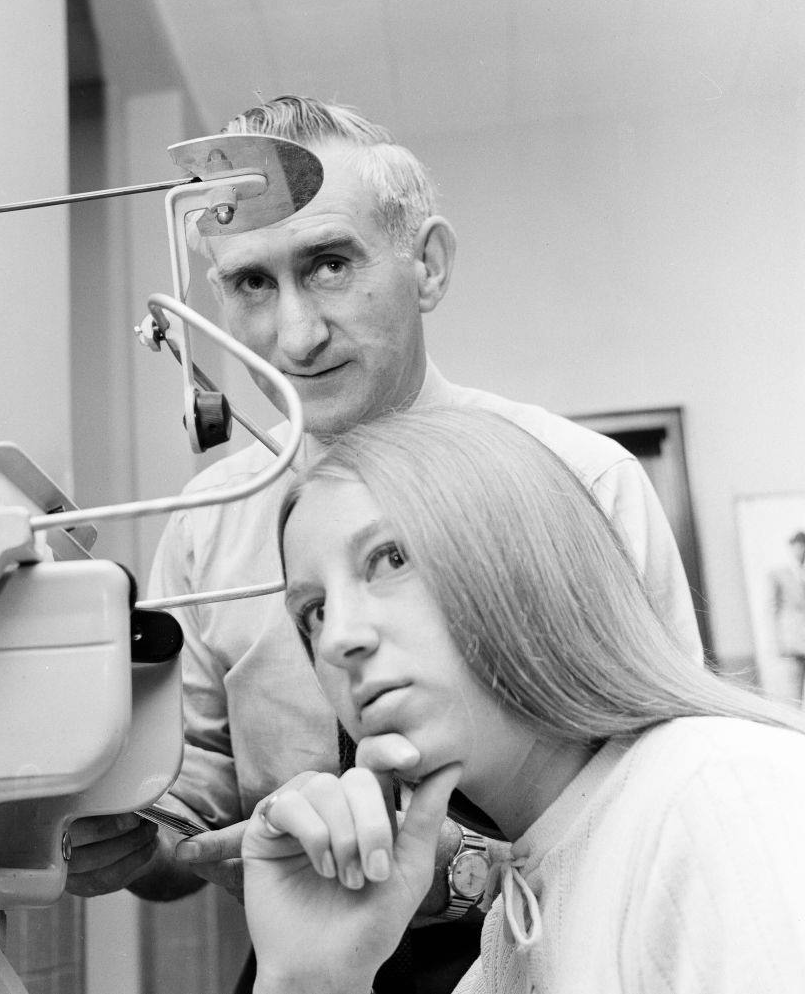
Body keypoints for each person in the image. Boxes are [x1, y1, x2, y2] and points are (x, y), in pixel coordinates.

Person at [65, 95, 704, 990]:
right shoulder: (210, 523)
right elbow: (195, 798)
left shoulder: (578, 483)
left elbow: (671, 789)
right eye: (253, 282)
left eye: (329, 263)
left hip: (559, 951)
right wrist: (131, 838)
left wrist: (469, 870)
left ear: (427, 265)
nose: (295, 334)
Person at [241, 405, 805, 994]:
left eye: (391, 559)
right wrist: (309, 980)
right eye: (315, 610)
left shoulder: (719, 797)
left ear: (523, 557)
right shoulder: (513, 928)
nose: (337, 638)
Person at [768, 530, 805, 704]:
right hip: (793, 643)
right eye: (797, 548)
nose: (800, 552)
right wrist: (779, 642)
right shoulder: (779, 574)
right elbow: (773, 609)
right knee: (793, 692)